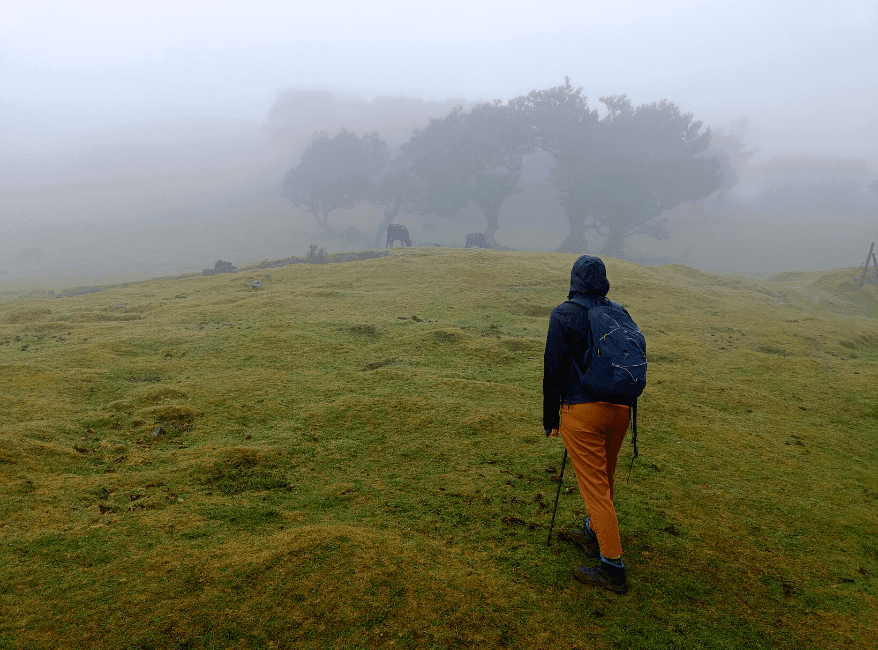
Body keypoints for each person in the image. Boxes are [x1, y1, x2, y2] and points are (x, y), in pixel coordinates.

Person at [542, 255, 633, 594]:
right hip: (620, 410)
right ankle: (594, 530)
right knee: (604, 479)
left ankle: (611, 565)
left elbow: (553, 371)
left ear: (574, 280)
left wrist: (551, 418)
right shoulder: (619, 311)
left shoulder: (564, 314)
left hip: (582, 413)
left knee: (595, 489)